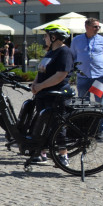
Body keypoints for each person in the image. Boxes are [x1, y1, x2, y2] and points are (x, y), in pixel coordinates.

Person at [25, 25, 74, 167]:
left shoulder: (64, 52)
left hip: (57, 94)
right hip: (44, 94)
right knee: (42, 124)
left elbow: (61, 75)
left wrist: (40, 86)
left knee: (58, 124)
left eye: (46, 36)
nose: (44, 38)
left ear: (54, 37)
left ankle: (63, 154)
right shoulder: (50, 52)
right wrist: (35, 84)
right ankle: (42, 152)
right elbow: (41, 72)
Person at [71, 17, 103, 139]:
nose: (97, 29)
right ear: (87, 27)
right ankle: (85, 129)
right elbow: (72, 55)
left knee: (100, 103)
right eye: (95, 27)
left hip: (99, 77)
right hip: (83, 76)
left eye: (98, 27)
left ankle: (102, 130)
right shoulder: (77, 40)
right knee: (83, 103)